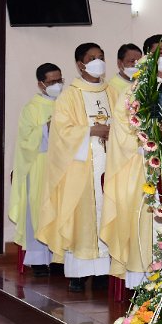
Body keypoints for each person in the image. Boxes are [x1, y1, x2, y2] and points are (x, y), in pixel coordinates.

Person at [102, 34, 162, 289]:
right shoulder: (134, 91)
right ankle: (144, 280)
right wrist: (155, 134)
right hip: (144, 165)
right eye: (160, 52)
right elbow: (124, 131)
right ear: (147, 57)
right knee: (147, 222)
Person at [37, 43, 112, 292]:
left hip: (109, 164)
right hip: (81, 167)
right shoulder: (69, 95)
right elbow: (60, 132)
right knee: (81, 219)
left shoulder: (112, 92)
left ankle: (103, 272)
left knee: (107, 212)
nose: (98, 61)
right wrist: (91, 130)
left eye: (101, 57)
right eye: (92, 58)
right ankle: (78, 275)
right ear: (81, 64)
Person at [9, 63, 62, 277]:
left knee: (61, 211)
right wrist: (46, 129)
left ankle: (59, 258)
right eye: (52, 82)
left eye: (60, 80)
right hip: (40, 164)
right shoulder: (32, 108)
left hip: (62, 165)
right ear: (41, 84)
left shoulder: (67, 103)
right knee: (38, 211)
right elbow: (25, 140)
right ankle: (39, 259)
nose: (57, 85)